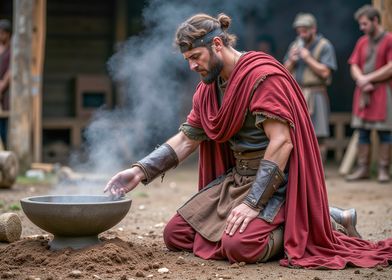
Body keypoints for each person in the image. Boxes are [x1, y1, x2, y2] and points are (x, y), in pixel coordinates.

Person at [105, 13, 392, 268]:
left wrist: (253, 204)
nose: (192, 66)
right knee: (176, 234)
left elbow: (282, 143)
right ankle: (316, 216)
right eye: (188, 60)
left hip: (278, 185)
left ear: (217, 44)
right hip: (238, 181)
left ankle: (319, 223)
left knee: (241, 247)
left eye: (196, 57)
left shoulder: (262, 78)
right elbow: (187, 139)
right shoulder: (209, 89)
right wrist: (139, 171)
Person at [346, 5, 392, 183]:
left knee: (384, 132)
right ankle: (363, 168)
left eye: (364, 24)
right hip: (364, 93)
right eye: (360, 24)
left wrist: (368, 78)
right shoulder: (362, 41)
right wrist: (361, 79)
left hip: (381, 91)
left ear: (375, 21)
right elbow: (354, 64)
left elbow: (390, 66)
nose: (362, 28)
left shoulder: (388, 39)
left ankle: (382, 170)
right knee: (362, 131)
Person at [283, 13, 337, 164]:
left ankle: (319, 170)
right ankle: (303, 170)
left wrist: (307, 58)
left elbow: (326, 72)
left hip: (316, 94)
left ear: (313, 29)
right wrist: (292, 61)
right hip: (298, 93)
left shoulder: (324, 46)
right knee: (297, 134)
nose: (301, 34)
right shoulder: (295, 45)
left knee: (318, 134)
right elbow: (284, 71)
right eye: (299, 31)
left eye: (304, 30)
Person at [0, 19, 11, 149]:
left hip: (7, 90)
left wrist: (3, 84)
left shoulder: (12, 48)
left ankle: (5, 149)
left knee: (4, 121)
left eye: (2, 33)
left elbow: (12, 68)